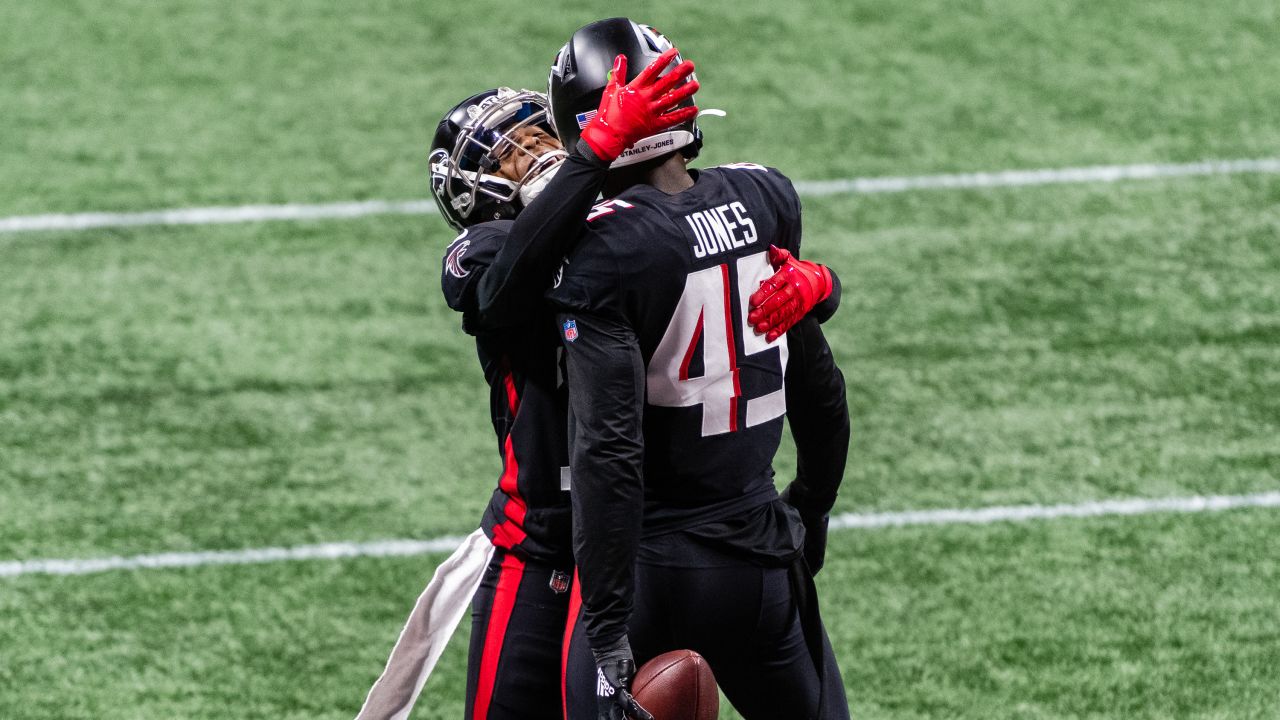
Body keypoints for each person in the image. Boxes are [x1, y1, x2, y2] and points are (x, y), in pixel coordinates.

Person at [546, 18, 851, 720]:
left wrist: (608, 617)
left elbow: (609, 448)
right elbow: (818, 380)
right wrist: (815, 500)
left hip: (649, 566)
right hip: (757, 556)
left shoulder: (604, 245)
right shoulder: (766, 196)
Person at [429, 58, 700, 720]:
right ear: (475, 194)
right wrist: (595, 158)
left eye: (541, 136)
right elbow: (505, 282)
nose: (540, 154)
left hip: (649, 528)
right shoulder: (485, 250)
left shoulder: (635, 221)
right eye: (515, 154)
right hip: (540, 537)